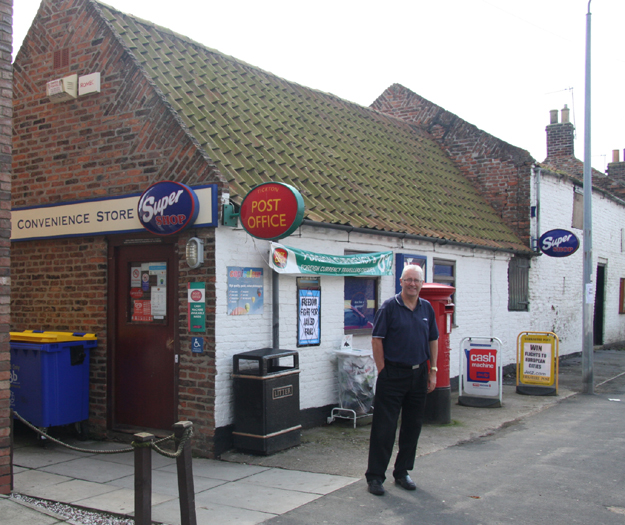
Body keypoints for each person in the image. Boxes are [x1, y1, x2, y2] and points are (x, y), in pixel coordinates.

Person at [365, 264, 439, 496]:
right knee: (384, 428)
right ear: (401, 282)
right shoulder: (389, 307)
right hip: (393, 375)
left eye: (417, 280)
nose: (413, 284)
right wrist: (383, 370)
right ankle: (376, 477)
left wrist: (433, 370)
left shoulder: (426, 308)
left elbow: (433, 340)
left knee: (412, 426)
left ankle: (402, 472)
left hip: (419, 374)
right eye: (409, 280)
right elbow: (377, 339)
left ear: (422, 283)